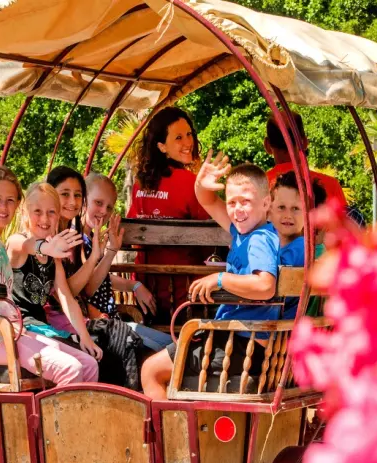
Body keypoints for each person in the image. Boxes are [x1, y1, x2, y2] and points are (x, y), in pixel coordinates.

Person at [0, 163, 96, 386]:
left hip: (10, 334)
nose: (4, 206)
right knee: (71, 368)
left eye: (10, 200)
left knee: (89, 364)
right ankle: (58, 411)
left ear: (17, 205)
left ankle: (78, 410)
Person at [141, 153, 279, 399]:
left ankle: (168, 424)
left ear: (266, 203)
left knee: (151, 370)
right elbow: (208, 200)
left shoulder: (259, 239)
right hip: (240, 340)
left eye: (245, 201)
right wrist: (201, 182)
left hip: (239, 343)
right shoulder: (243, 232)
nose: (237, 209)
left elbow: (265, 286)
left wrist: (220, 279)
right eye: (232, 202)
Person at [5, 182, 102, 382]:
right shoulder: (17, 242)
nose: (44, 219)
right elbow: (27, 245)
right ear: (24, 213)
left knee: (90, 364)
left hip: (41, 326)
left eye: (51, 212)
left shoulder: (54, 256)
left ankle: (81, 404)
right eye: (37, 212)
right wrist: (46, 248)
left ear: (58, 216)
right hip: (19, 328)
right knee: (74, 367)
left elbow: (66, 298)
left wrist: (85, 338)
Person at [127, 107, 212, 324]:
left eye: (189, 134)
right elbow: (211, 239)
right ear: (161, 146)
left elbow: (131, 231)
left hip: (146, 289)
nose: (188, 142)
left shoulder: (140, 184)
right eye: (178, 137)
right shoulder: (191, 184)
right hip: (187, 293)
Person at [83, 172, 173, 352]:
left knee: (172, 344)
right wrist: (111, 252)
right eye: (98, 203)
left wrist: (134, 285)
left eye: (109, 207)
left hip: (113, 321)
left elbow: (101, 277)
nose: (104, 211)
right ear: (83, 200)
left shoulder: (91, 238)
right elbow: (88, 287)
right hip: (100, 326)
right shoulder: (77, 241)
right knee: (160, 350)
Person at [43, 166, 105, 333]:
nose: (72, 202)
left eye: (77, 195)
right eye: (65, 194)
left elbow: (86, 289)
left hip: (79, 319)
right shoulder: (46, 240)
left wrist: (109, 251)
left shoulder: (74, 238)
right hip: (57, 326)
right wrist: (94, 257)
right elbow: (64, 294)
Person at [268, 171, 327, 319]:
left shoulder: (304, 249)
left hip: (280, 328)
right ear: (268, 210)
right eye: (281, 207)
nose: (288, 215)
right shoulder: (271, 244)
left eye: (295, 209)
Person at [264, 112, 347, 210]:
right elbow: (346, 218)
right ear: (304, 142)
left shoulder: (257, 187)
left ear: (267, 145)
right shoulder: (331, 185)